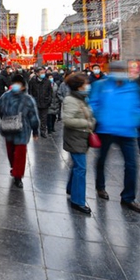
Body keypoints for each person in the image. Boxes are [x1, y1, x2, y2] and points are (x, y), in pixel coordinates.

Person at [90, 61, 140, 213]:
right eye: (116, 69)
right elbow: (93, 104)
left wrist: (134, 120)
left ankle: (128, 197)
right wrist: (102, 117)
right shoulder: (100, 86)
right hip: (106, 130)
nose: (119, 72)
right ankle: (100, 187)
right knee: (101, 160)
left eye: (122, 69)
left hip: (127, 131)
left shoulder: (132, 87)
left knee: (131, 165)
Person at [0, 73, 40, 188]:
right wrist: (4, 117)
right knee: (10, 152)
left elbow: (33, 116)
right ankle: (14, 168)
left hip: (22, 131)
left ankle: (18, 176)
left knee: (20, 154)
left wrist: (35, 130)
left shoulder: (28, 99)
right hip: (8, 129)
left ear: (23, 86)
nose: (16, 86)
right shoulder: (6, 96)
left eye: (18, 84)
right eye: (14, 83)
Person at [62, 73, 96, 214]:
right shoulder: (71, 100)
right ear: (79, 86)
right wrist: (87, 123)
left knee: (77, 166)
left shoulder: (82, 98)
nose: (87, 85)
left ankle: (71, 188)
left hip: (81, 137)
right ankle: (78, 201)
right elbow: (67, 120)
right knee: (81, 168)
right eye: (85, 83)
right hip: (75, 137)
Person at [29, 67, 54, 137]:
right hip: (35, 102)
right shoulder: (32, 82)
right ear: (37, 74)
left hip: (45, 103)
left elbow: (50, 92)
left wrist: (49, 100)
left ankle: (43, 131)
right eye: (41, 73)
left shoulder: (47, 82)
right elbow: (30, 92)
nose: (43, 74)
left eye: (44, 72)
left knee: (44, 118)